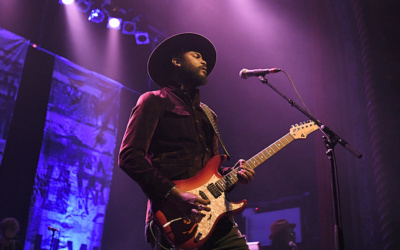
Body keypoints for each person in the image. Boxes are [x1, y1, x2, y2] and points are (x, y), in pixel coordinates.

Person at [119, 32, 255, 249]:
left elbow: (211, 171)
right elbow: (129, 156)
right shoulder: (154, 101)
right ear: (177, 61)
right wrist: (175, 195)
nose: (204, 61)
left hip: (215, 215)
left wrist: (234, 174)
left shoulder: (209, 115)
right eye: (197, 55)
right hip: (174, 217)